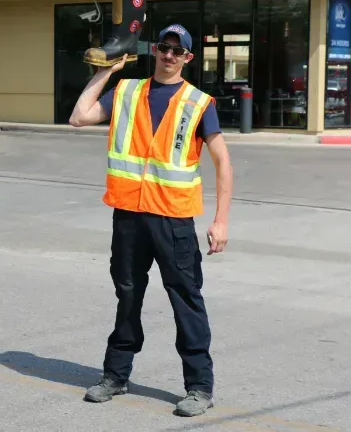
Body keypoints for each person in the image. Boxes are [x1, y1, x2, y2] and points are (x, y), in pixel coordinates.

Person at [69, 24, 233, 417]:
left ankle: (200, 386)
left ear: (188, 58)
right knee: (127, 296)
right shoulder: (127, 91)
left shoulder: (198, 103)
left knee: (186, 300)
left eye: (178, 51)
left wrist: (221, 220)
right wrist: (107, 69)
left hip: (173, 220)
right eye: (164, 47)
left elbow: (223, 162)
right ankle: (115, 375)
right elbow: (79, 116)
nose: (169, 55)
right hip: (128, 215)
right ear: (154, 50)